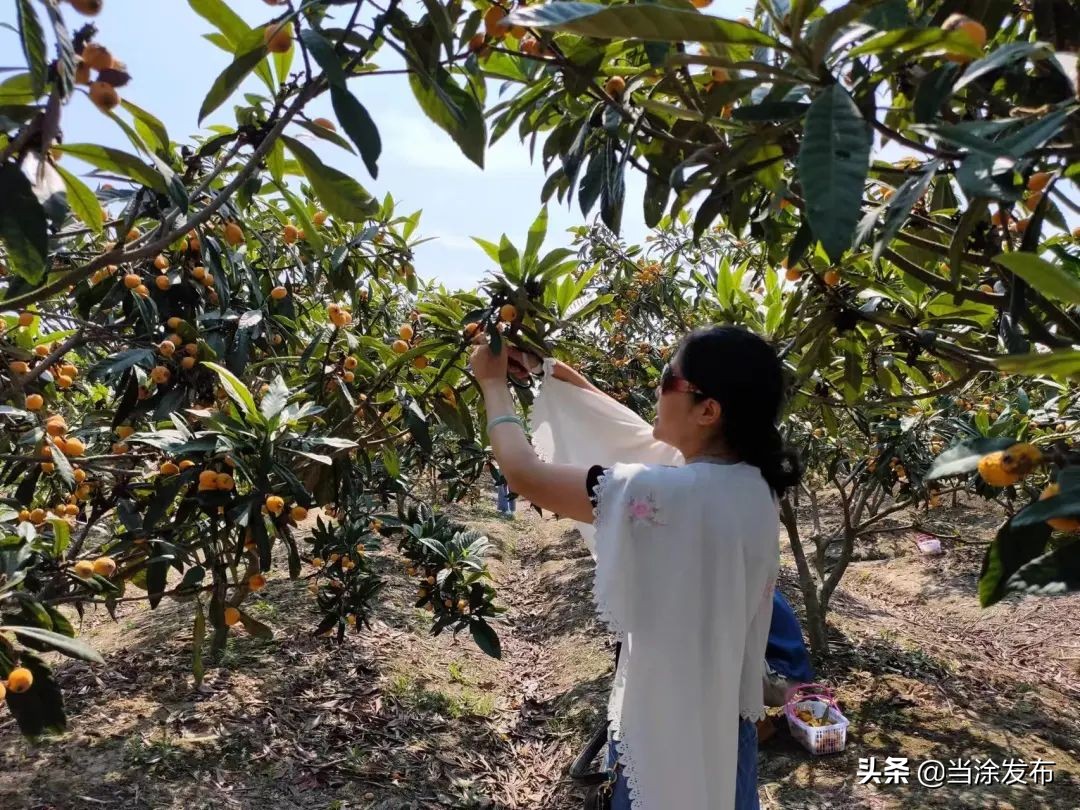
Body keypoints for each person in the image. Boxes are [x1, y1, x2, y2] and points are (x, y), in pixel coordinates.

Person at [469, 325, 801, 810]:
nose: (657, 386)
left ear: (708, 411)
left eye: (669, 378)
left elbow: (526, 475)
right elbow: (629, 431)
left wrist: (493, 385)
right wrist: (548, 371)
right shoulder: (752, 483)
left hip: (668, 726)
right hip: (727, 719)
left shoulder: (670, 494)